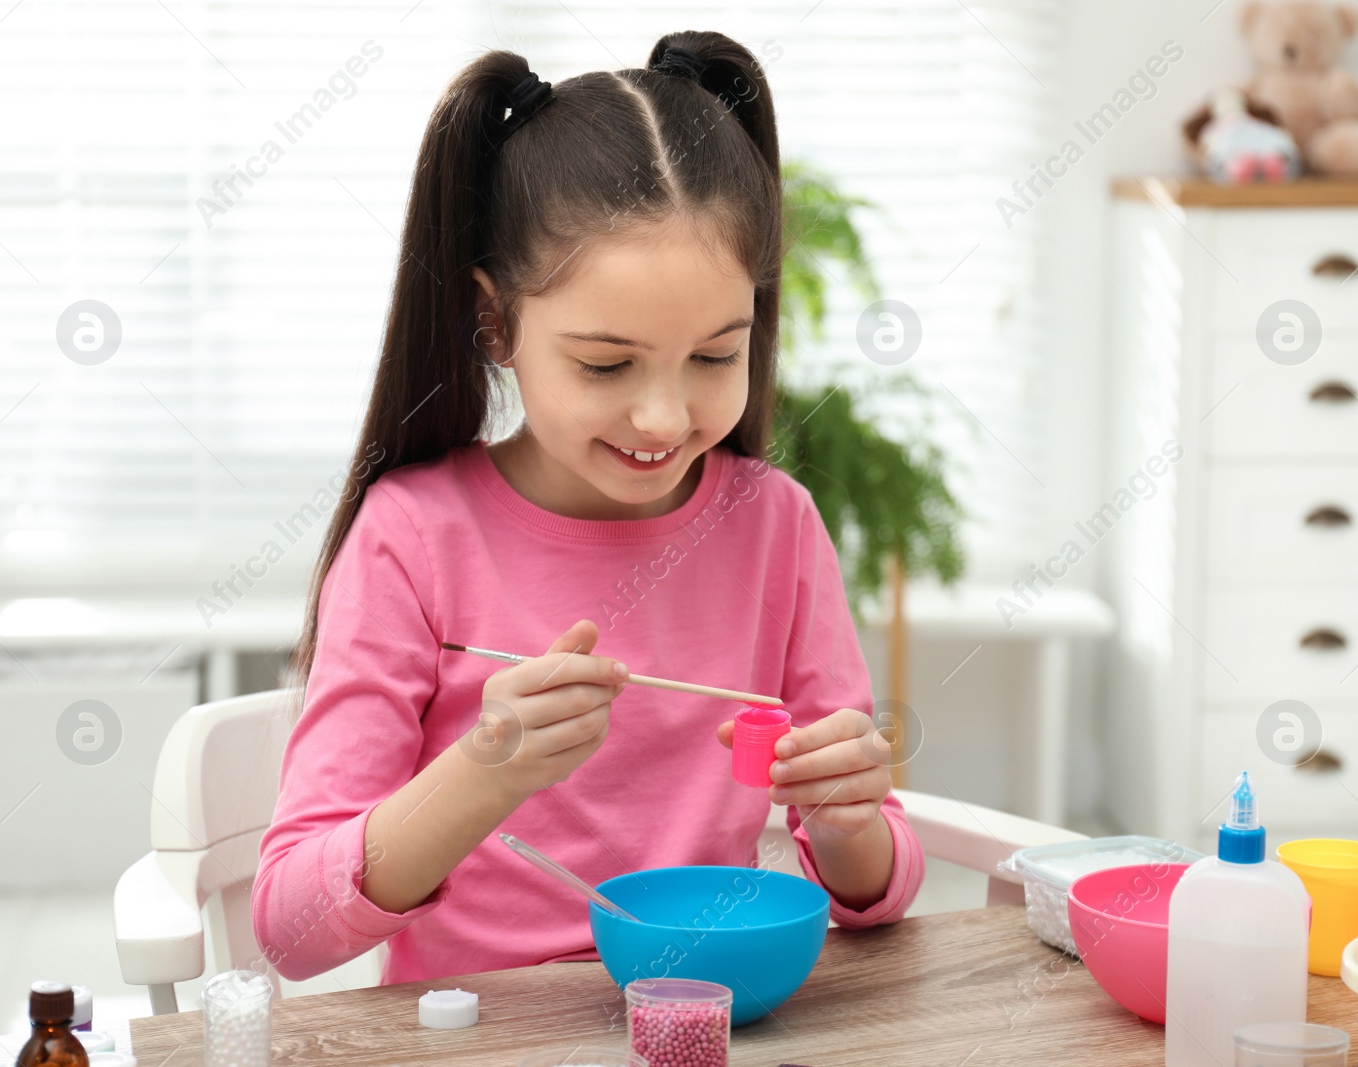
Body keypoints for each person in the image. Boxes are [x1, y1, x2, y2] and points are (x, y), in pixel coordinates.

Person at [252, 29, 926, 983]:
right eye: (606, 364)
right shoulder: (413, 536)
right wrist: (485, 770)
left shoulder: (777, 526)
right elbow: (289, 926)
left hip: (705, 1015)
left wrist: (849, 817)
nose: (662, 415)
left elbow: (877, 885)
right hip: (481, 1035)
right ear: (495, 322)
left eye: (714, 356)